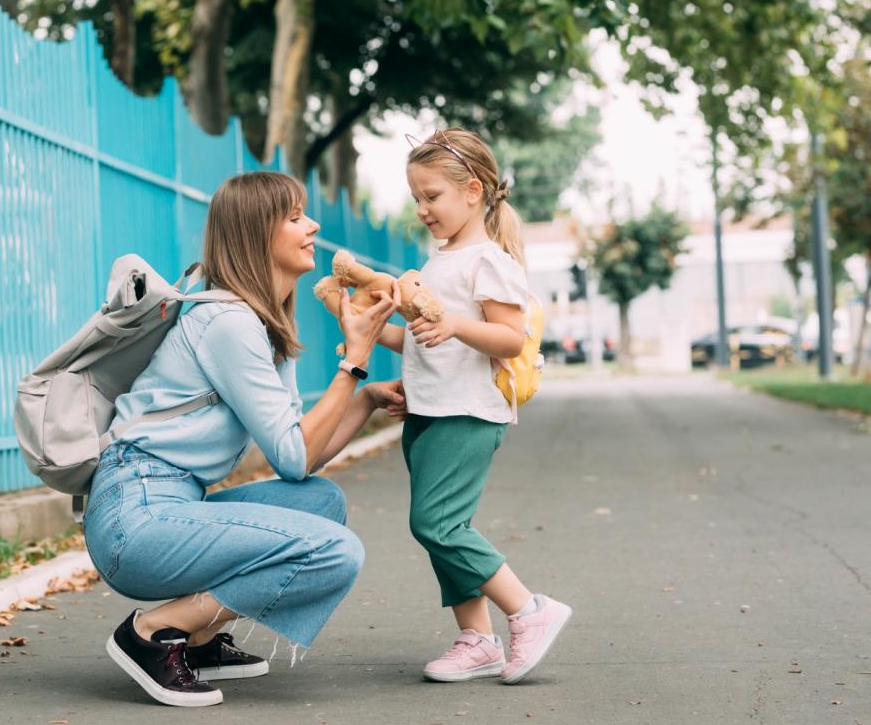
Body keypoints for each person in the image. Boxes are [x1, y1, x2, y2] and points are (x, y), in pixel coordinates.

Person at [83, 170, 405, 707]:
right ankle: (154, 631)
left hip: (169, 504)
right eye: (296, 216)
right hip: (134, 519)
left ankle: (199, 638)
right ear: (259, 233)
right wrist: (354, 362)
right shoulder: (227, 323)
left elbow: (298, 464)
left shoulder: (259, 324)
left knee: (321, 501)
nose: (313, 225)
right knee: (336, 552)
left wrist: (365, 399)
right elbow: (296, 452)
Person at [377, 129, 572, 685]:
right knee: (447, 524)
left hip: (469, 412)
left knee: (435, 523)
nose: (422, 209)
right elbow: (426, 338)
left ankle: (529, 611)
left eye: (432, 196)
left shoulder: (490, 261)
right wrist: (370, 329)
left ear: (474, 190)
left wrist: (455, 323)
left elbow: (509, 338)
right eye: (417, 197)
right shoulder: (438, 261)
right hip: (430, 411)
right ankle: (477, 639)